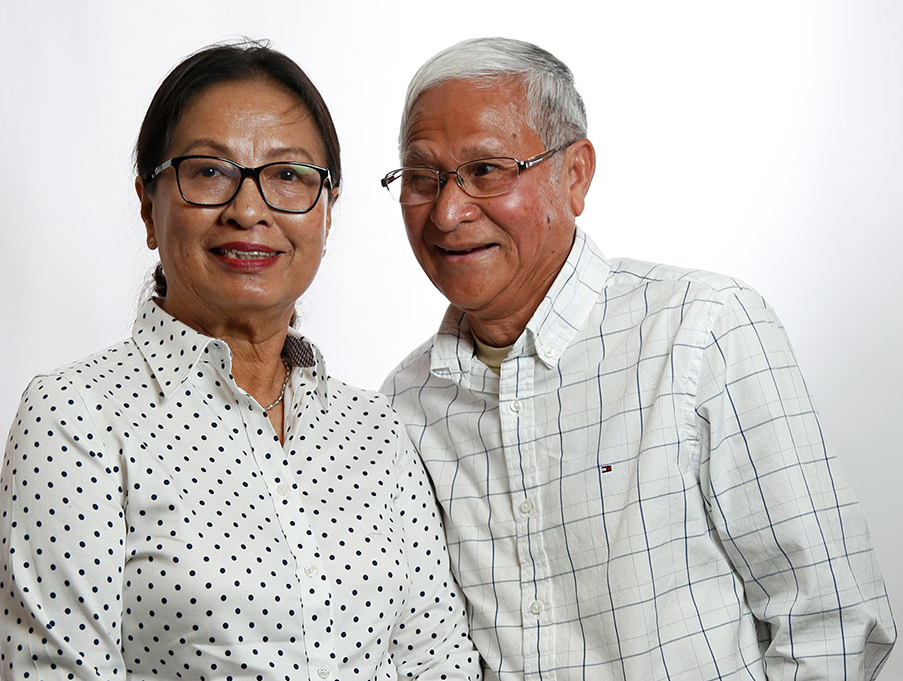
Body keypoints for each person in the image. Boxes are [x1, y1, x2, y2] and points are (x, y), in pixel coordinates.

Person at [380, 36, 896, 681]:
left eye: (486, 169)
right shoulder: (402, 406)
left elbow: (834, 625)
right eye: (421, 178)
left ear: (575, 174)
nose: (448, 212)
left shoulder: (703, 328)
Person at [0, 42, 479, 681]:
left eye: (288, 176)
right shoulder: (76, 417)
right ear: (148, 206)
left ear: (327, 214)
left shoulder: (376, 430)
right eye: (209, 171)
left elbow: (437, 660)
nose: (249, 210)